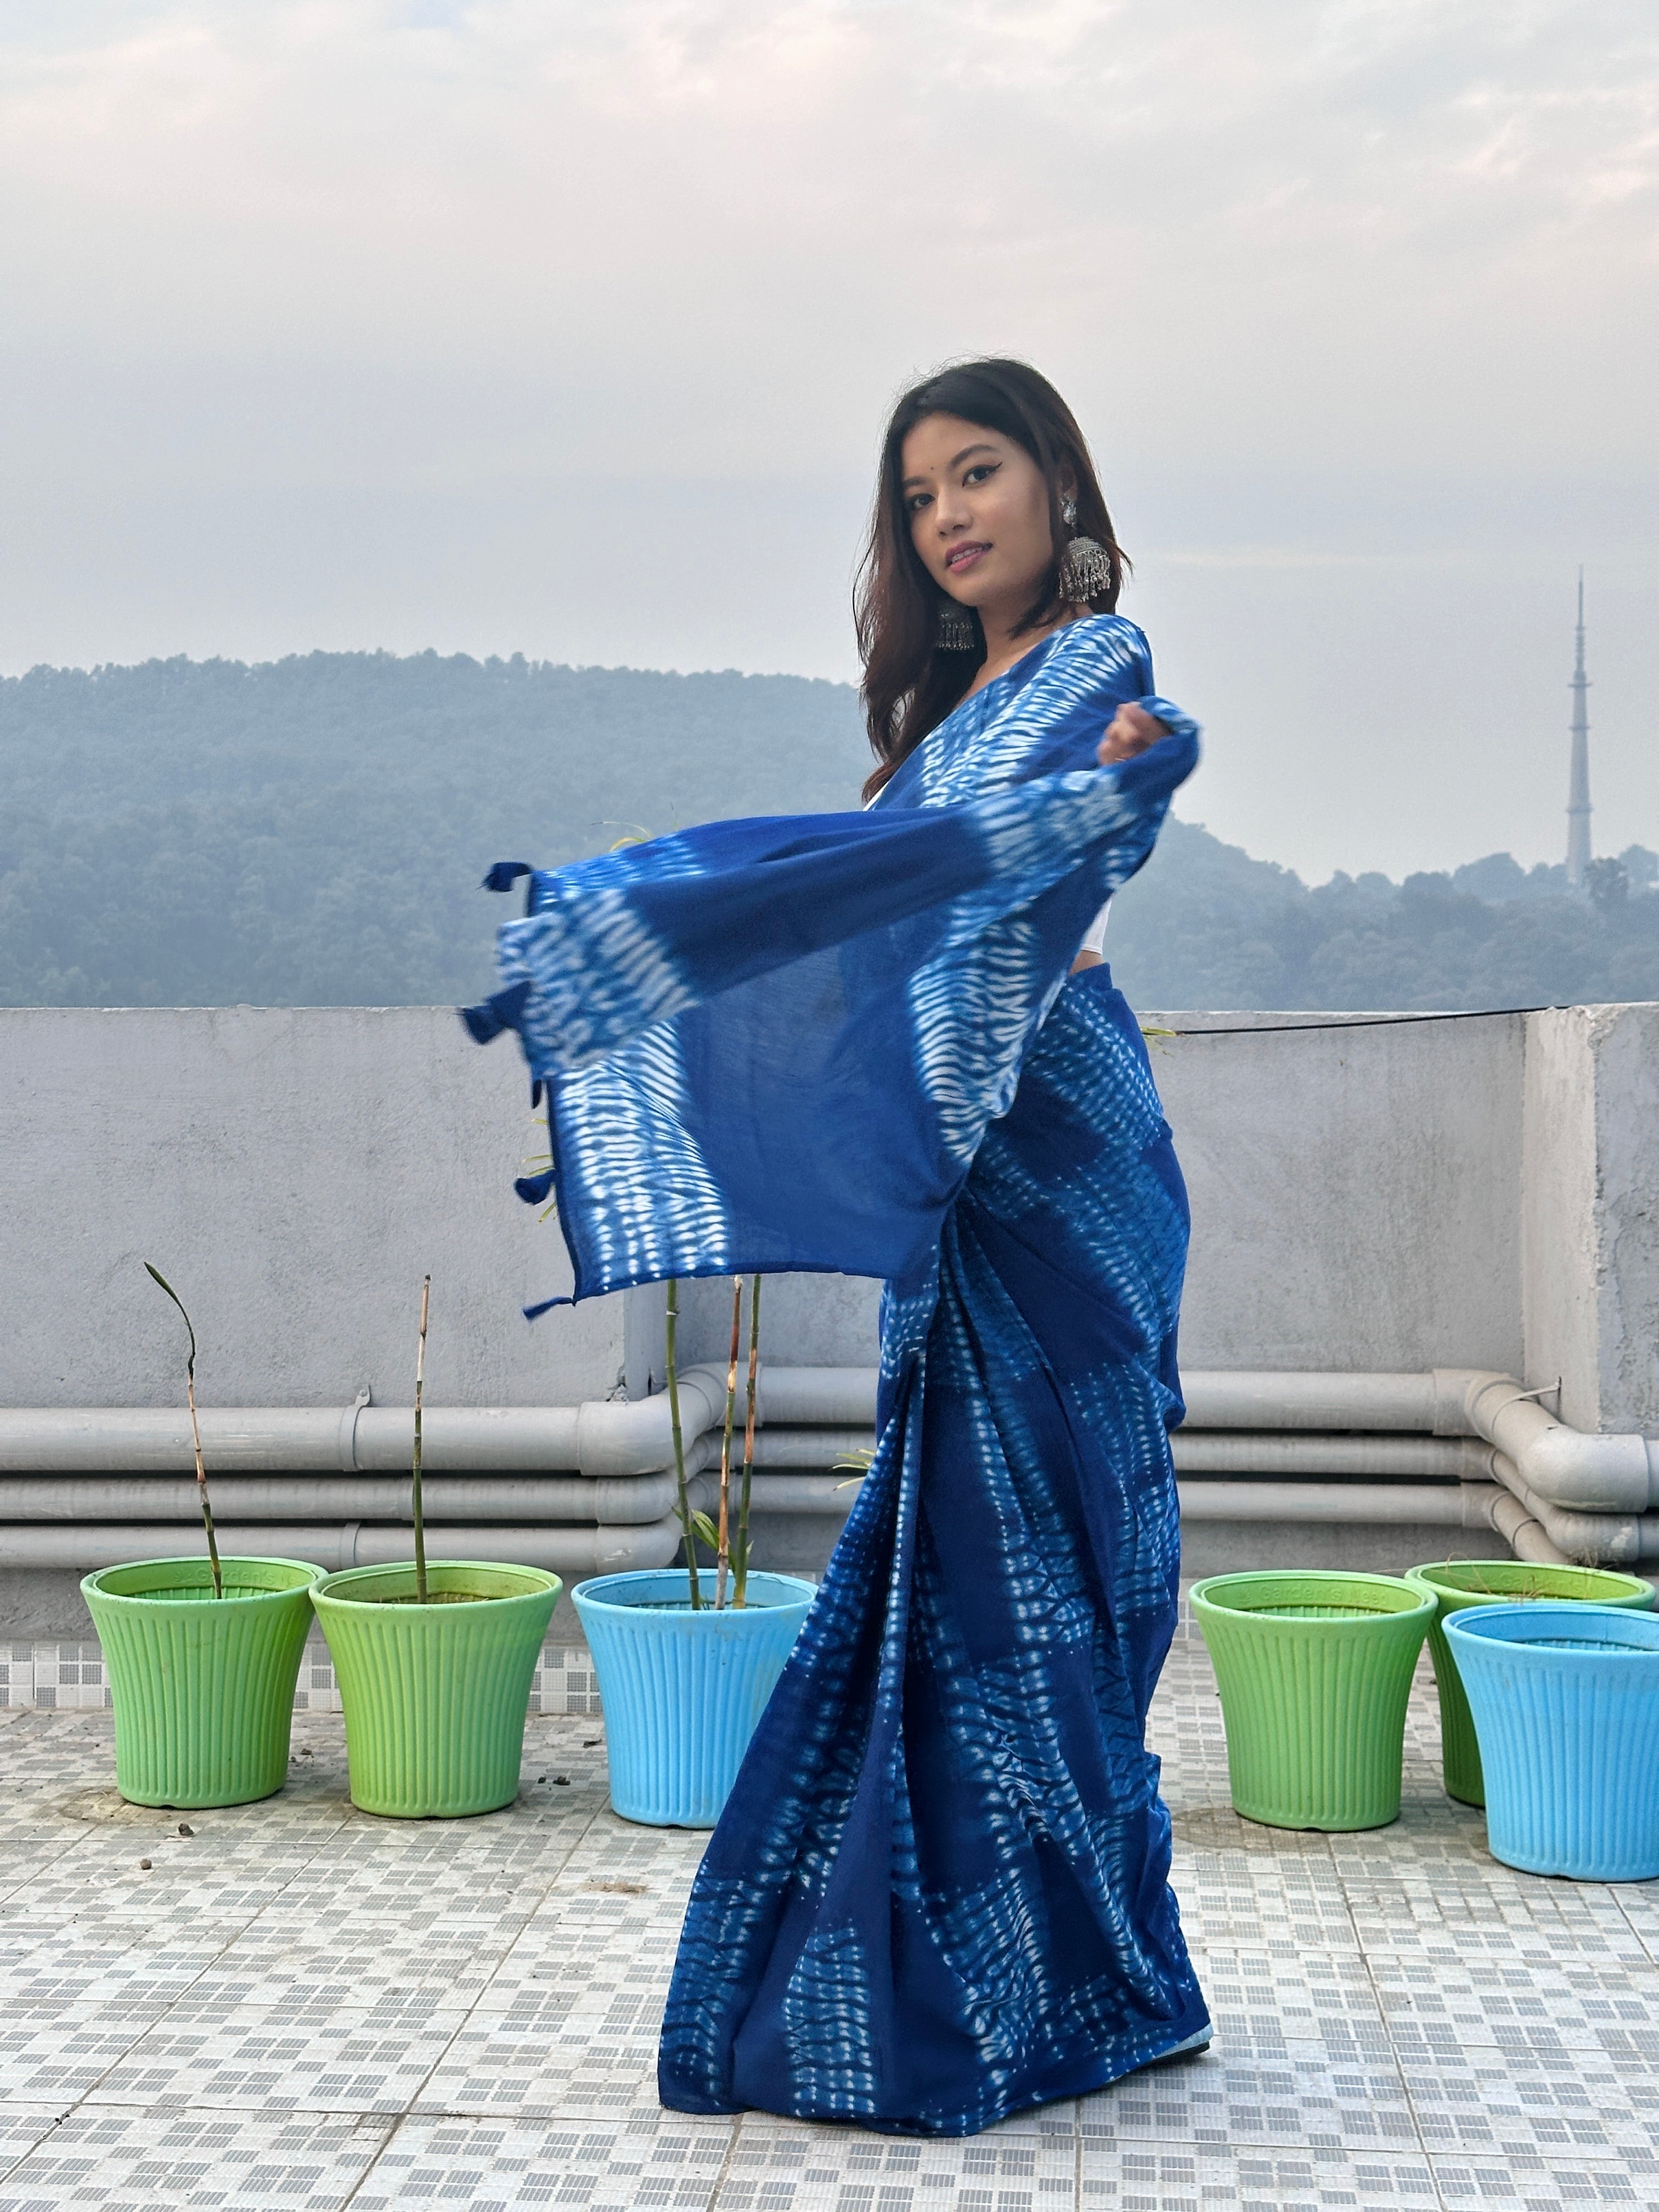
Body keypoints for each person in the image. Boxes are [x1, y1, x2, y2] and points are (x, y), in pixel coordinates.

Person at [464, 358, 1210, 2136]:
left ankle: (1093, 1971)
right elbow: (910, 926)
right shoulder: (933, 739)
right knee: (960, 1569)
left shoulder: (1100, 668)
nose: (952, 516)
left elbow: (1053, 863)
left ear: (1057, 483)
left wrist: (1126, 800)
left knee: (1085, 1563)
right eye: (921, 496)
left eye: (980, 473)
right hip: (969, 1179)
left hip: (1069, 1167)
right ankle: (1029, 1977)